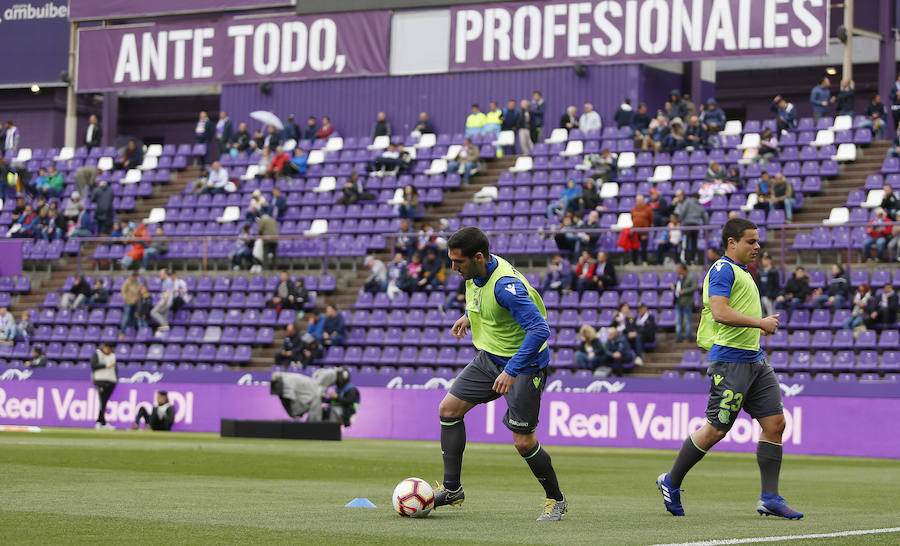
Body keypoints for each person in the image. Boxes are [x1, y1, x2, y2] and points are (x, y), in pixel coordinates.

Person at [656, 217, 802, 520]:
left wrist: (756, 330)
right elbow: (720, 312)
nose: (757, 246)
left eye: (758, 240)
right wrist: (760, 323)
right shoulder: (722, 270)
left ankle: (770, 497)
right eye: (751, 241)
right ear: (731, 243)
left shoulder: (742, 271)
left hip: (755, 360)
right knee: (716, 430)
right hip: (731, 362)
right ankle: (671, 481)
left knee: (775, 424)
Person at [433, 227, 566, 521]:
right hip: (489, 357)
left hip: (524, 364)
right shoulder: (476, 273)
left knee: (523, 442)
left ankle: (556, 499)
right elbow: (485, 299)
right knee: (449, 410)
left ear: (478, 257)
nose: (454, 268)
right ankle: (453, 489)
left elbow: (540, 329)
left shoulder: (506, 287)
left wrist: (512, 370)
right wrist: (470, 316)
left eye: (459, 262)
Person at [674, 191, 708, 265]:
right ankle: (693, 259)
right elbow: (705, 218)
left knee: (686, 242)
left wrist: (680, 219)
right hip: (696, 226)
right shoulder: (700, 205)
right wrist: (706, 226)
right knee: (694, 242)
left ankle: (686, 259)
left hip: (688, 225)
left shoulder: (687, 202)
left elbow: (683, 212)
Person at [91, 342, 118, 430]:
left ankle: (102, 422)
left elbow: (115, 369)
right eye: (108, 348)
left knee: (104, 402)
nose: (109, 350)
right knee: (102, 401)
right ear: (104, 347)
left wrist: (116, 379)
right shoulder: (97, 353)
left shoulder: (113, 356)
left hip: (111, 381)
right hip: (100, 381)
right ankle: (100, 422)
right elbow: (93, 365)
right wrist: (106, 366)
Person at [630, 195, 653, 265]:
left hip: (644, 231)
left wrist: (646, 228)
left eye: (641, 200)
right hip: (635, 232)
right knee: (634, 247)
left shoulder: (648, 209)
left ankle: (644, 261)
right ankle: (634, 261)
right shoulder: (633, 209)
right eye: (638, 200)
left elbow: (651, 219)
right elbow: (632, 218)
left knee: (643, 247)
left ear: (643, 201)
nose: (639, 202)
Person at [119, 271, 143, 338]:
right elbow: (123, 291)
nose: (134, 277)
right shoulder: (127, 282)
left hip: (136, 303)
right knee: (126, 318)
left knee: (133, 318)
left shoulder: (139, 283)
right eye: (133, 276)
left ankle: (131, 333)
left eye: (136, 276)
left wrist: (138, 299)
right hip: (128, 303)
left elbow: (140, 292)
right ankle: (122, 333)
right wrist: (126, 299)